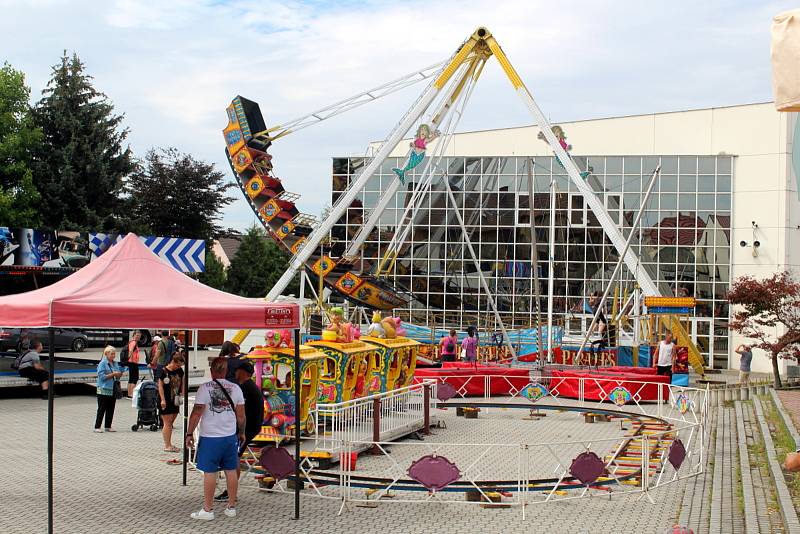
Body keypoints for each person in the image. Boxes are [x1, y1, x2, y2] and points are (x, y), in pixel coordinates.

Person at [186, 357, 245, 521]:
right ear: (226, 371)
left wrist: (189, 433)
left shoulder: (204, 388)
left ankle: (208, 509)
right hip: (230, 437)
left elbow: (197, 413)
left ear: (212, 371)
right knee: (231, 470)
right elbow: (241, 416)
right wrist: (242, 432)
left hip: (210, 437)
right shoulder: (236, 388)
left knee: (210, 472)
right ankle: (231, 507)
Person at [215, 360, 264, 502]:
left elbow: (239, 411)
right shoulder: (247, 386)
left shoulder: (245, 388)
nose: (234, 373)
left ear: (243, 372)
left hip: (246, 429)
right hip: (249, 427)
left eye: (236, 370)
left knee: (233, 458)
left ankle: (232, 492)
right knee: (233, 457)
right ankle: (231, 491)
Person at [158, 352, 185, 452]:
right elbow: (160, 386)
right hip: (166, 399)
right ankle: (167, 445)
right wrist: (162, 399)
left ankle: (169, 443)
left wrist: (182, 393)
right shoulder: (164, 371)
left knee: (171, 422)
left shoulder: (180, 371)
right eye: (177, 365)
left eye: (180, 366)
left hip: (175, 399)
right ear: (173, 361)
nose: (178, 367)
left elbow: (182, 382)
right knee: (167, 422)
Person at [95, 345, 122, 433]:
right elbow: (102, 377)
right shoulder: (102, 363)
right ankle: (97, 426)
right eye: (112, 354)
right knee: (102, 408)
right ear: (106, 354)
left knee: (111, 408)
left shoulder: (115, 363)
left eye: (114, 354)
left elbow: (117, 374)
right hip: (103, 389)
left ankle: (108, 426)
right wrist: (113, 374)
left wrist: (119, 374)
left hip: (112, 388)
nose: (113, 356)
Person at [125, 330, 142, 397]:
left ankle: (129, 394)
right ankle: (131, 393)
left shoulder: (132, 342)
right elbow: (131, 351)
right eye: (137, 335)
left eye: (139, 336)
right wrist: (131, 360)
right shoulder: (134, 342)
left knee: (131, 378)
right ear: (133, 335)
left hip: (131, 362)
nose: (138, 337)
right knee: (135, 378)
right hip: (133, 363)